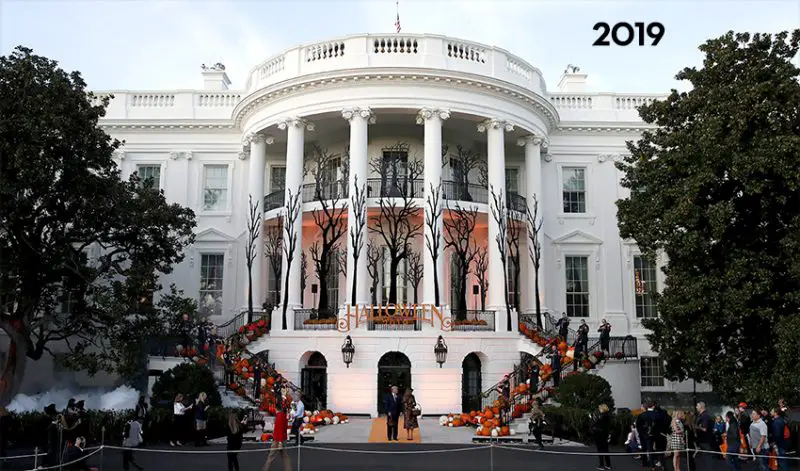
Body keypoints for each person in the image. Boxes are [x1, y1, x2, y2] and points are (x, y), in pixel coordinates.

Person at [261, 399, 292, 471]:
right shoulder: (283, 415)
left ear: (276, 408)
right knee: (285, 457)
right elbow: (284, 427)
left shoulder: (279, 416)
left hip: (278, 440)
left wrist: (279, 442)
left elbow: (279, 429)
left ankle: (265, 469)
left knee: (270, 457)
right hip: (283, 438)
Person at [592, 404, 612, 470]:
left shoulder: (602, 416)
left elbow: (598, 426)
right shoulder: (608, 415)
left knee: (600, 450)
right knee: (606, 450)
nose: (599, 409)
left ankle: (601, 466)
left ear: (603, 409)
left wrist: (594, 425)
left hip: (599, 436)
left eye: (600, 408)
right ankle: (608, 465)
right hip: (605, 435)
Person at [695, 401, 714, 468]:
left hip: (705, 441)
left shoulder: (705, 416)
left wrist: (697, 427)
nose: (696, 407)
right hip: (702, 440)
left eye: (697, 406)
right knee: (704, 458)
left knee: (707, 458)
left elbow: (704, 429)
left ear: (701, 407)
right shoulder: (701, 415)